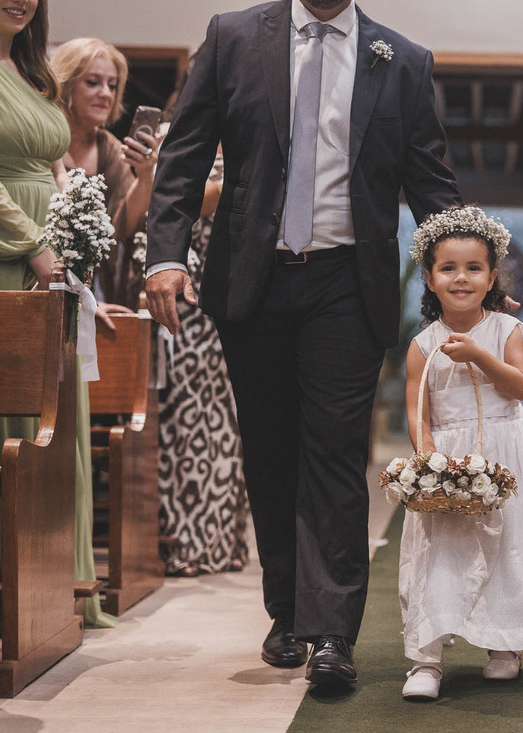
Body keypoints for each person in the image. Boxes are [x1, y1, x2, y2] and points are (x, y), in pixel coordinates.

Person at [144, 0, 460, 689]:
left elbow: (430, 182)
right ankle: (285, 611)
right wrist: (164, 256)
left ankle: (331, 634)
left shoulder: (401, 60)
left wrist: (471, 279)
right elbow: (186, 151)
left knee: (336, 452)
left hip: (348, 281)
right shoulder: (233, 37)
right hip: (252, 280)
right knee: (270, 448)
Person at [0, 1, 115, 628]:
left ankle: (53, 589)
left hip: (56, 257)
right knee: (14, 415)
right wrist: (31, 243)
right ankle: (7, 594)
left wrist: (77, 253)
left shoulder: (31, 74)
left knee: (56, 415)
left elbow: (58, 169)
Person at [397, 206, 523, 701]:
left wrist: (479, 355)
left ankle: (505, 645)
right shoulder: (421, 344)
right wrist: (429, 463)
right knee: (440, 553)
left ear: (493, 275)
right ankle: (427, 658)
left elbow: (520, 387)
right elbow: (418, 411)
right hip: (450, 458)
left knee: (510, 550)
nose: (461, 278)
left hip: (504, 455)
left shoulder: (505, 331)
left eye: (474, 268)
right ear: (428, 278)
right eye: (448, 268)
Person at [152, 55, 249, 578]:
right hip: (187, 301)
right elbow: (170, 204)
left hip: (232, 301)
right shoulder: (176, 134)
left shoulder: (244, 129)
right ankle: (185, 545)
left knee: (228, 428)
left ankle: (222, 544)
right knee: (187, 428)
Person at [52, 37, 160, 309]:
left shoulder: (108, 146)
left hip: (98, 286)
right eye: (92, 82)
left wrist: (146, 174)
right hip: (42, 273)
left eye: (112, 85)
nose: (106, 93)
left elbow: (124, 225)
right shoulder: (45, 141)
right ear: (65, 85)